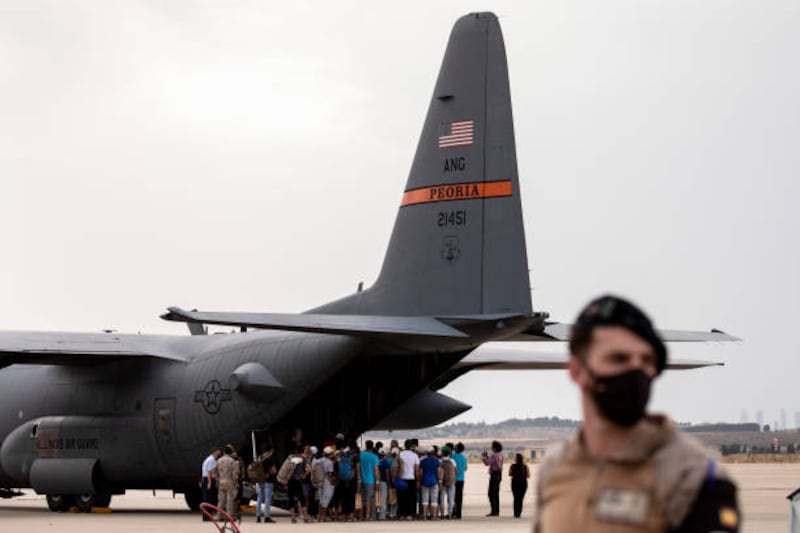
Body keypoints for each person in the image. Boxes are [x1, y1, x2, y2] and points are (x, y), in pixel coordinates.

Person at [532, 295, 741, 532]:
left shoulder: (692, 476)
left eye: (646, 360)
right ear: (577, 371)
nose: (635, 372)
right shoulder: (556, 468)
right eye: (618, 358)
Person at [209, 445, 241, 522]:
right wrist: (236, 483)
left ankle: (219, 516)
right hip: (230, 483)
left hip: (221, 483)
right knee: (230, 501)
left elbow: (213, 472)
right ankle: (229, 516)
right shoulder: (233, 461)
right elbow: (235, 474)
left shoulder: (219, 460)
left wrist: (218, 479)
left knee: (221, 501)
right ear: (231, 453)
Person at [254, 443, 277, 523]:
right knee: (267, 499)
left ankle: (258, 516)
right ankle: (267, 517)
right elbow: (273, 470)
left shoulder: (259, 458)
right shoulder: (270, 459)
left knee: (259, 499)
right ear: (271, 450)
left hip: (260, 480)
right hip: (268, 481)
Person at [358, 439, 380, 520]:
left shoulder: (360, 455)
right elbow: (376, 470)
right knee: (368, 499)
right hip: (370, 480)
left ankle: (361, 516)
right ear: (372, 447)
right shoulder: (374, 457)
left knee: (362, 498)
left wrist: (359, 479)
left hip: (361, 480)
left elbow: (358, 467)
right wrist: (377, 481)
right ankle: (367, 515)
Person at [482, 440, 503, 517]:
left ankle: (494, 511)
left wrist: (484, 457)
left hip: (494, 474)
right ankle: (496, 510)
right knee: (496, 493)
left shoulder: (494, 455)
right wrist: (487, 457)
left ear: (495, 448)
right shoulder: (500, 454)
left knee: (491, 493)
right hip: (499, 474)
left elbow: (487, 463)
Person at [201, 447, 221, 521]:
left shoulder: (209, 459)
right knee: (208, 499)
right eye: (218, 451)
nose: (219, 452)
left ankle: (206, 516)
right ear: (215, 452)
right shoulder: (212, 460)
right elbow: (209, 472)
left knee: (207, 498)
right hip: (208, 479)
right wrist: (209, 482)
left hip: (205, 479)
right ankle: (207, 516)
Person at [508, 453, 529, 518]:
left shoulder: (512, 466)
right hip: (523, 484)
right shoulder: (525, 466)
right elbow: (528, 475)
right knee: (520, 499)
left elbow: (510, 474)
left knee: (516, 498)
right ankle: (519, 513)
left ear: (516, 459)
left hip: (515, 483)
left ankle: (515, 513)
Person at [451, 442, 467, 519]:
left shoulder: (452, 456)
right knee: (459, 497)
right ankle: (459, 513)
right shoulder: (464, 458)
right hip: (461, 479)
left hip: (454, 479)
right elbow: (465, 468)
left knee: (453, 497)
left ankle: (453, 512)